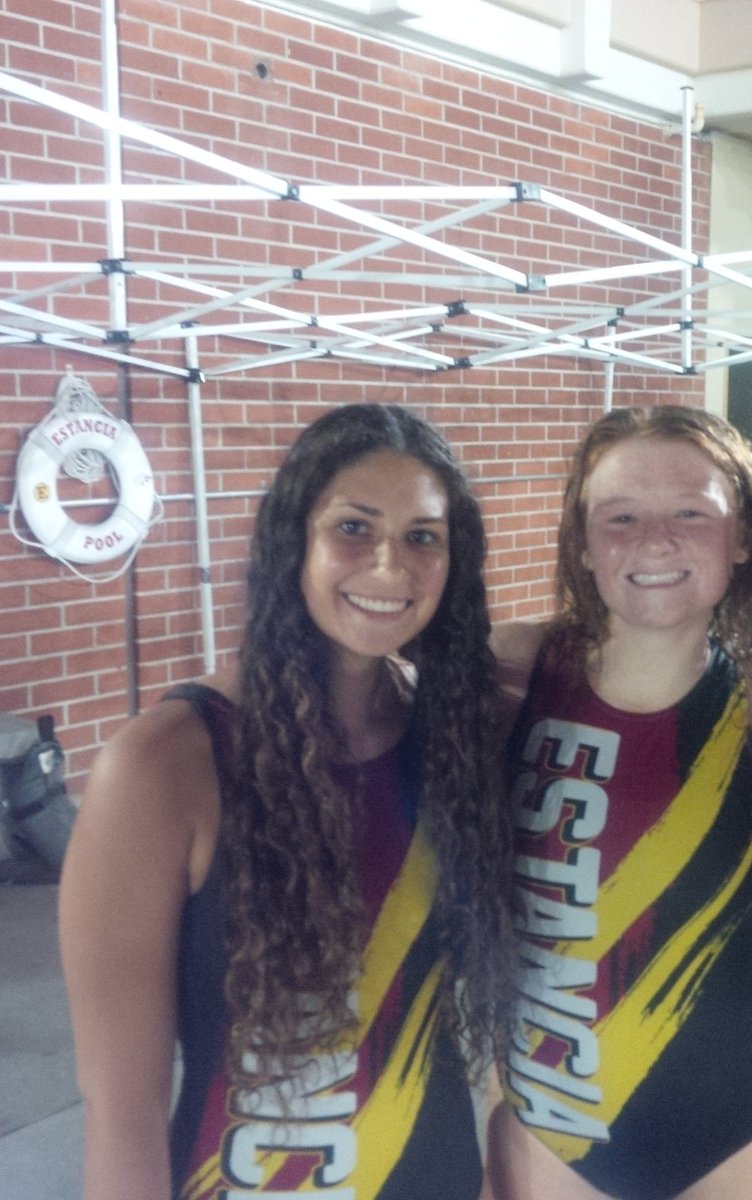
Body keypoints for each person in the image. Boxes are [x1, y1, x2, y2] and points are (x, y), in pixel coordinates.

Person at [59, 403, 516, 1200]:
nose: (388, 567)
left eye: (422, 537)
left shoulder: (450, 739)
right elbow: (121, 1114)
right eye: (353, 528)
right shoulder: (165, 766)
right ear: (293, 542)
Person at [485, 405, 752, 1200]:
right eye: (621, 516)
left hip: (740, 1120)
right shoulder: (511, 673)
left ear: (740, 537)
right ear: (584, 543)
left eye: (691, 513)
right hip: (549, 1116)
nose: (654, 539)